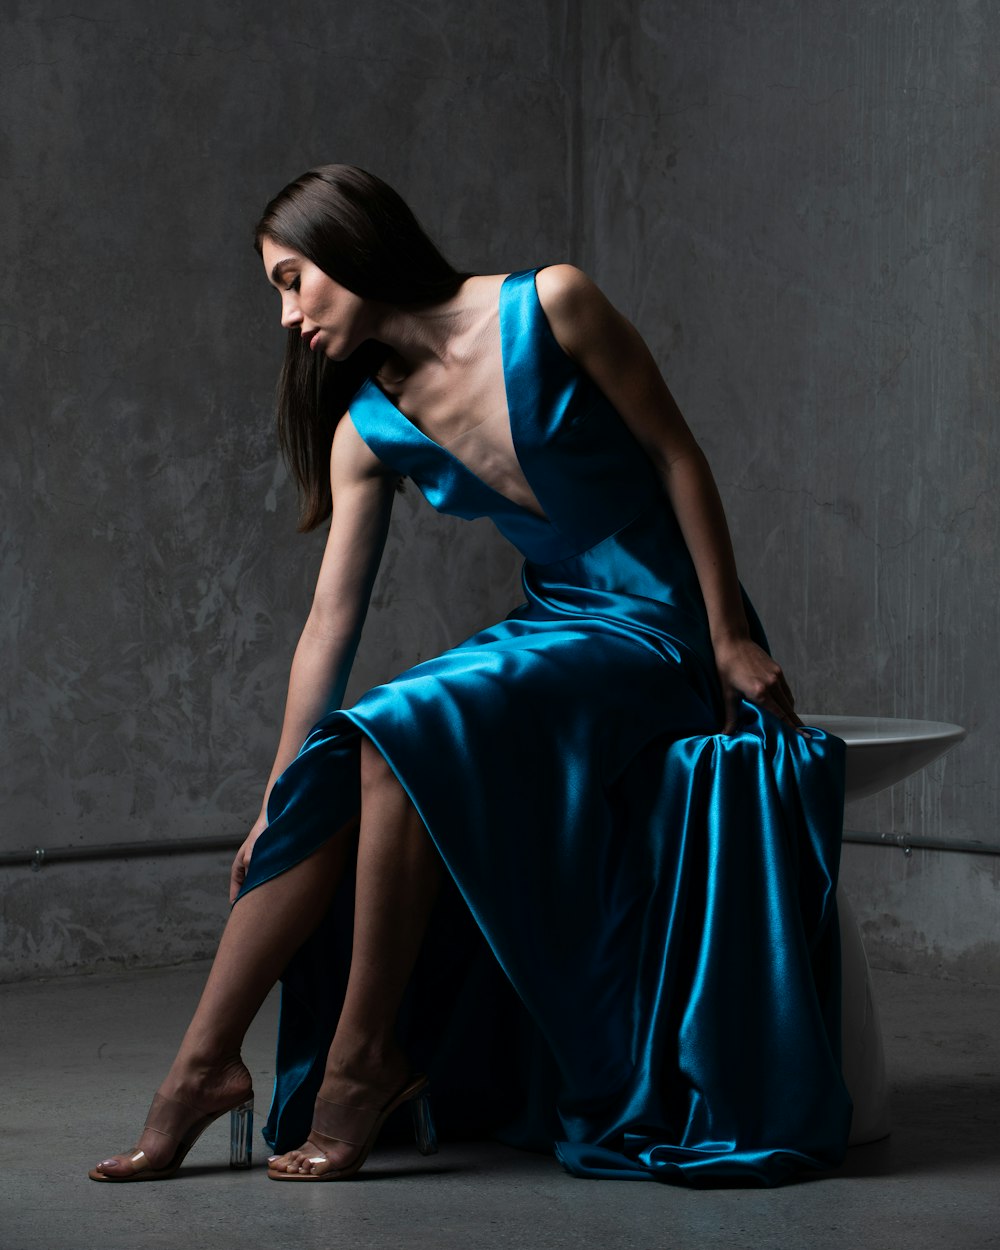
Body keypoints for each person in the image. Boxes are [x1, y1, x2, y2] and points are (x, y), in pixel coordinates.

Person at [89, 164, 850, 1187]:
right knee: (345, 755)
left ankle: (359, 1066)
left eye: (290, 279)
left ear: (348, 241)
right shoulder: (368, 426)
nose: (285, 314)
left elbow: (677, 454)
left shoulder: (555, 303)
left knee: (409, 723)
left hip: (662, 628)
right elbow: (329, 620)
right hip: (561, 627)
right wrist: (275, 794)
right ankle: (201, 1068)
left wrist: (725, 633)